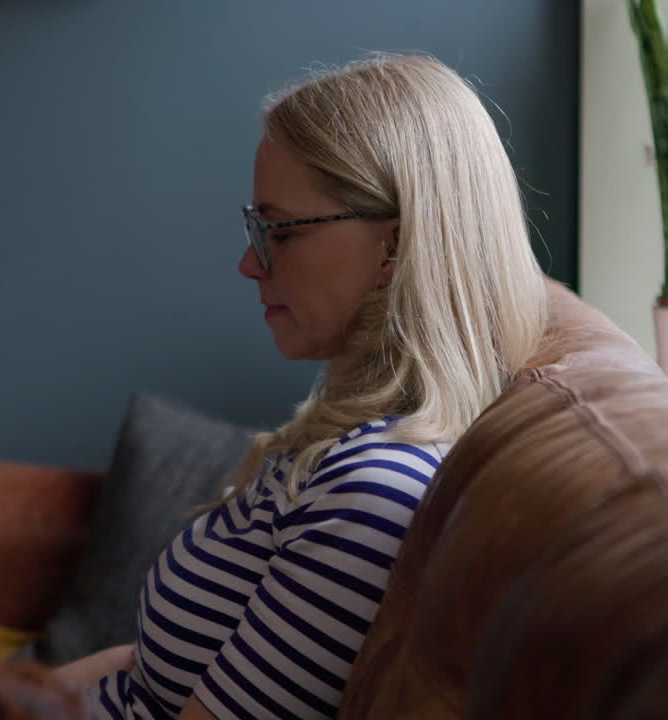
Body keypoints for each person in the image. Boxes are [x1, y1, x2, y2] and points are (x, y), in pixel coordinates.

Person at [56, 52, 550, 720]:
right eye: (254, 227)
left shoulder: (374, 492)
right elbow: (142, 664)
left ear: (393, 249)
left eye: (279, 231)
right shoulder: (338, 448)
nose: (248, 262)